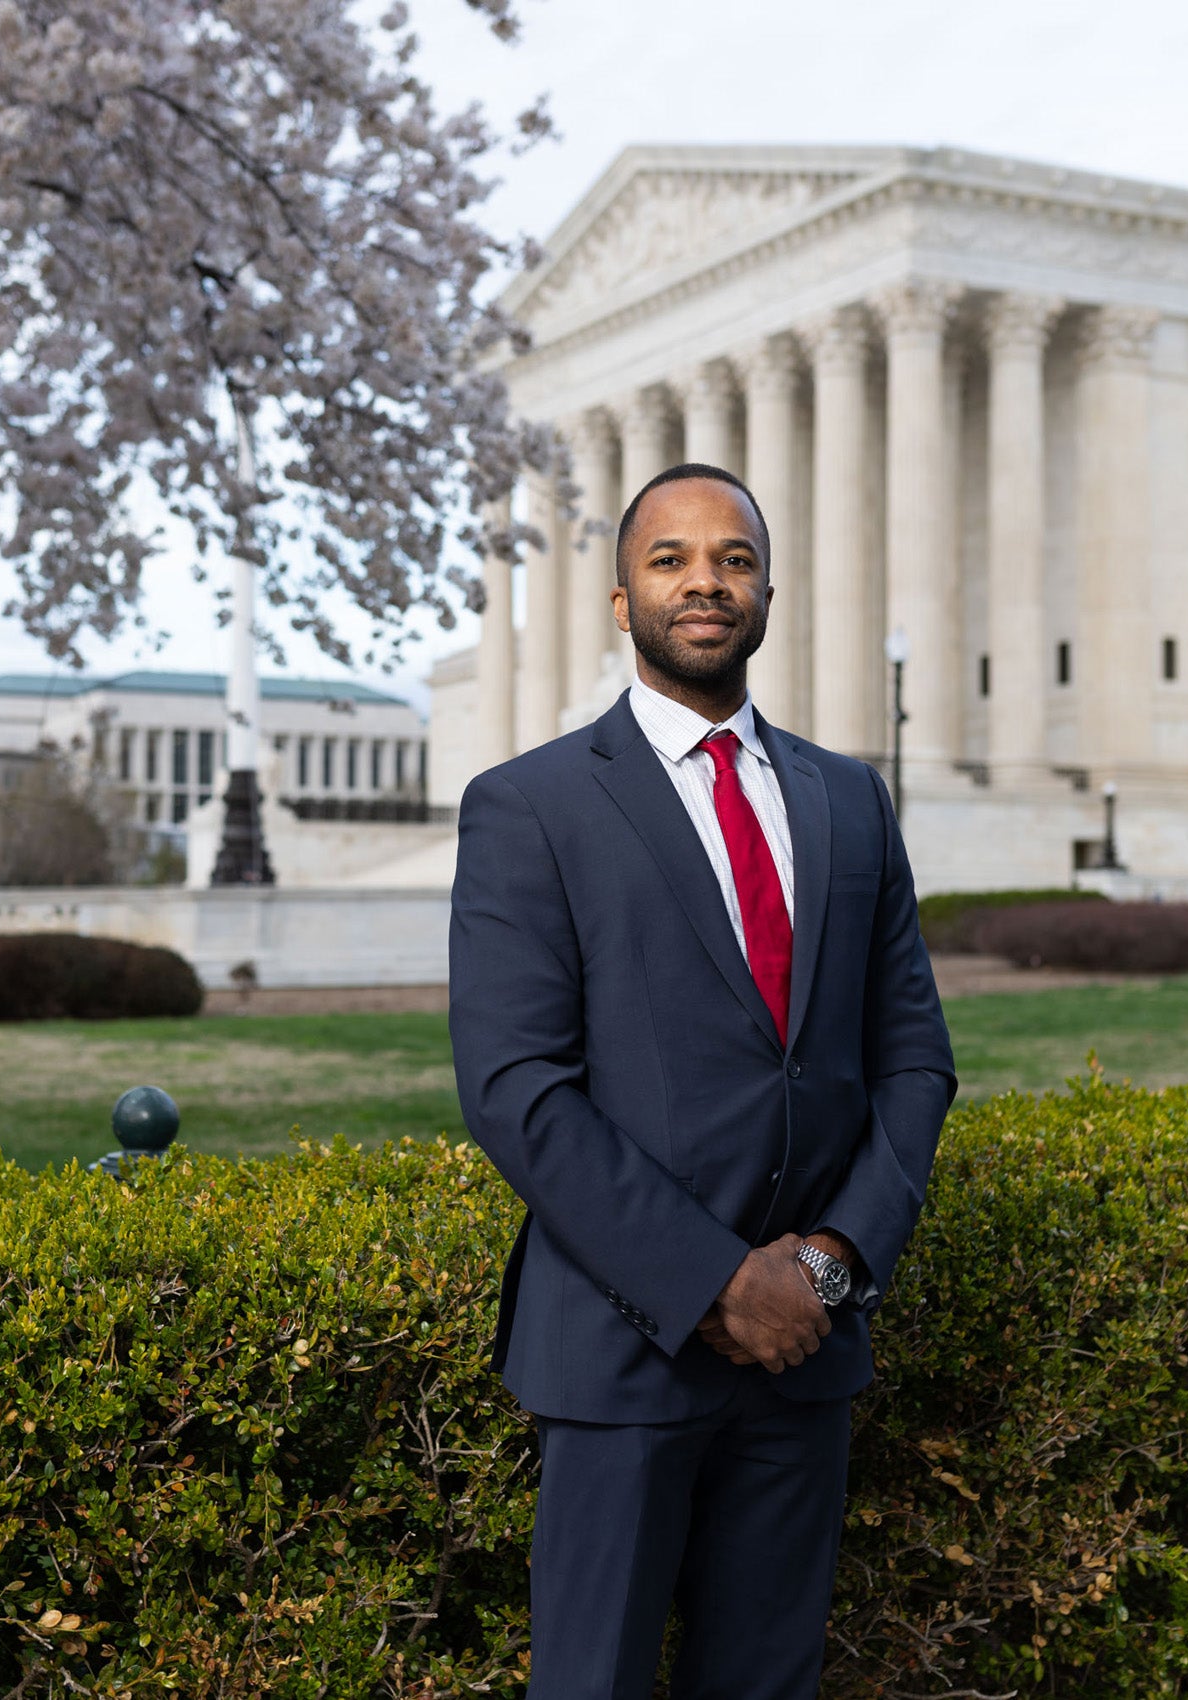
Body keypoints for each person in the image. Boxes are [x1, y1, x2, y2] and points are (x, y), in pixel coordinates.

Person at [450, 463, 956, 1699]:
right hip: (621, 1354)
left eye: (732, 557)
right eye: (670, 558)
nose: (704, 581)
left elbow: (914, 1058)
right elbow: (517, 1085)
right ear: (622, 598)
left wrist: (824, 1267)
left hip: (804, 1351)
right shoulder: (531, 804)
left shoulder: (848, 798)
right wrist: (715, 1280)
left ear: (767, 590)